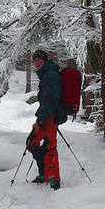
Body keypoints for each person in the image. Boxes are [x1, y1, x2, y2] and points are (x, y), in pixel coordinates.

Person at [26, 49, 66, 190]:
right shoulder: (47, 75)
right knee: (32, 143)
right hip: (47, 115)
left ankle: (53, 179)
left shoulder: (50, 75)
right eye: (34, 60)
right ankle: (44, 174)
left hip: (50, 116)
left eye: (39, 59)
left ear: (45, 60)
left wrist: (42, 118)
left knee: (49, 145)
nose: (36, 62)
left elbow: (50, 99)